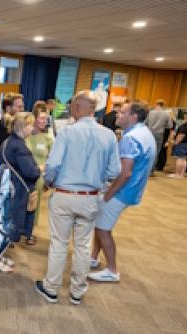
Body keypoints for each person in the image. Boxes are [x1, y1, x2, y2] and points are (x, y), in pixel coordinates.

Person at [35, 91, 120, 305]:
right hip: (91, 197)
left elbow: (53, 165)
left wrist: (50, 182)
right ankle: (77, 292)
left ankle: (51, 288)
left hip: (64, 195)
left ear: (78, 108)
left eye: (73, 106)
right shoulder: (109, 135)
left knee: (59, 244)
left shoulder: (67, 133)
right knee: (82, 246)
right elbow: (114, 171)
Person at [88, 101, 156, 282]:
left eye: (122, 112)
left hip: (122, 191)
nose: (117, 114)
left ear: (133, 117)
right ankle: (93, 257)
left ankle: (112, 270)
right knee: (101, 223)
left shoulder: (131, 138)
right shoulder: (143, 132)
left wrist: (109, 194)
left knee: (103, 229)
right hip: (131, 190)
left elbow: (125, 173)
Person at [0, 112, 40, 269]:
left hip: (8, 187)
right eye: (30, 125)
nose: (32, 128)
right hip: (16, 191)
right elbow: (31, 172)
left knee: (5, 222)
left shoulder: (9, 142)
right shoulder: (19, 146)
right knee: (10, 224)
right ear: (23, 126)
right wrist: (39, 169)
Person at [23, 108, 54, 245]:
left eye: (46, 119)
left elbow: (52, 159)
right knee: (21, 205)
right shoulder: (25, 136)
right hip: (23, 176)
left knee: (33, 206)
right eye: (41, 118)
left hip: (39, 178)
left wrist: (49, 178)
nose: (44, 121)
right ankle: (18, 231)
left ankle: (29, 232)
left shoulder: (48, 138)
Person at [168, 110, 187, 179]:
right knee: (184, 159)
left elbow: (181, 134)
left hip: (183, 144)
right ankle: (181, 174)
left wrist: (176, 142)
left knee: (179, 158)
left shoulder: (186, 124)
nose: (184, 116)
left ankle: (177, 174)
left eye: (185, 115)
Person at [145, 100, 173, 172]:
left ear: (156, 104)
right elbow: (169, 126)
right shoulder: (166, 114)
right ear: (163, 105)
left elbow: (145, 123)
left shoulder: (150, 112)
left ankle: (144, 168)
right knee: (156, 152)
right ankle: (151, 170)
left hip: (148, 133)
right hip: (159, 134)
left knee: (146, 151)